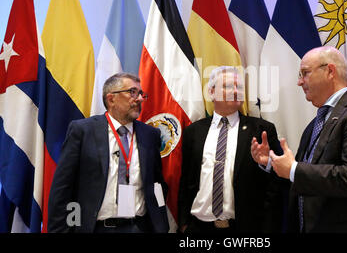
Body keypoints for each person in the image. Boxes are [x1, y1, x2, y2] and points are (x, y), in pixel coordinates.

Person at [251, 46, 347, 233]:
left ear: (330, 71)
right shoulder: (314, 124)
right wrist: (273, 164)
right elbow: (306, 178)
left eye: (305, 73)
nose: (300, 82)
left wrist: (293, 169)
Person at [48, 73, 169, 233]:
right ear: (111, 99)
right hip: (97, 228)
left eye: (141, 94)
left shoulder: (150, 134)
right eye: (132, 92)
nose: (139, 98)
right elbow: (62, 187)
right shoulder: (83, 131)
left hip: (139, 227)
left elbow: (156, 183)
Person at [178, 66, 285, 233]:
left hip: (245, 228)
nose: (236, 91)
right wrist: (184, 223)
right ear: (212, 92)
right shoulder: (194, 132)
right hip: (199, 227)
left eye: (239, 87)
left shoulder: (261, 129)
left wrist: (267, 165)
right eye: (228, 86)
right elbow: (186, 181)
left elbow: (279, 180)